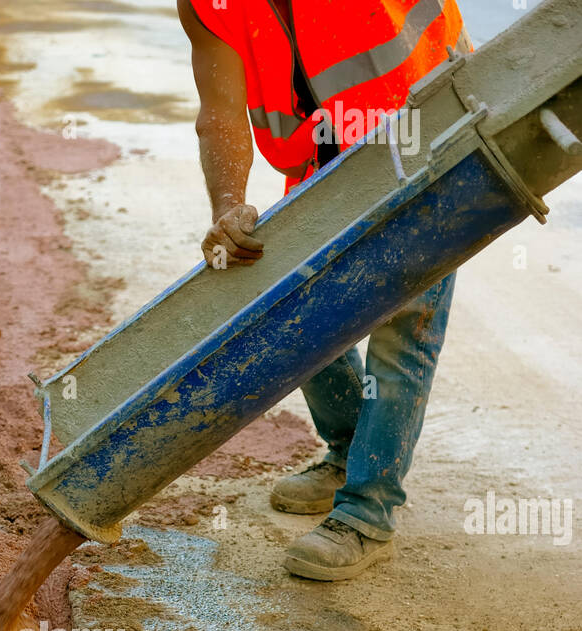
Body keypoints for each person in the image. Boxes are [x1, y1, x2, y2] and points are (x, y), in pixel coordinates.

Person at [179, 0, 469, 580]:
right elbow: (221, 112)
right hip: (327, 162)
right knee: (296, 313)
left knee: (404, 327)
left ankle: (367, 512)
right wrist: (228, 206)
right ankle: (348, 452)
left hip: (433, 136)